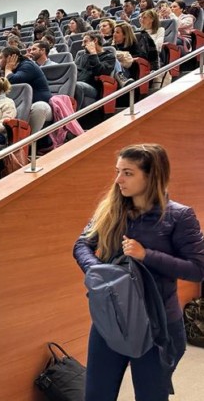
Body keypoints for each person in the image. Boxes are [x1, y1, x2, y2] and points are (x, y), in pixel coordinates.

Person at [73, 144, 204, 400]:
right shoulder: (111, 208)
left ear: (151, 175)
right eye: (118, 171)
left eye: (128, 173)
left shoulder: (179, 216)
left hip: (157, 326)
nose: (118, 180)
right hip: (109, 319)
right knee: (96, 395)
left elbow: (197, 270)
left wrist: (147, 255)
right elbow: (82, 245)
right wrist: (99, 272)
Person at [0, 46, 52, 133]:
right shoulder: (12, 70)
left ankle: (28, 141)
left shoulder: (27, 65)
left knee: (39, 107)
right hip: (24, 108)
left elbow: (12, 81)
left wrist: (8, 68)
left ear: (10, 58)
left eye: (1, 58)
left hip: (43, 107)